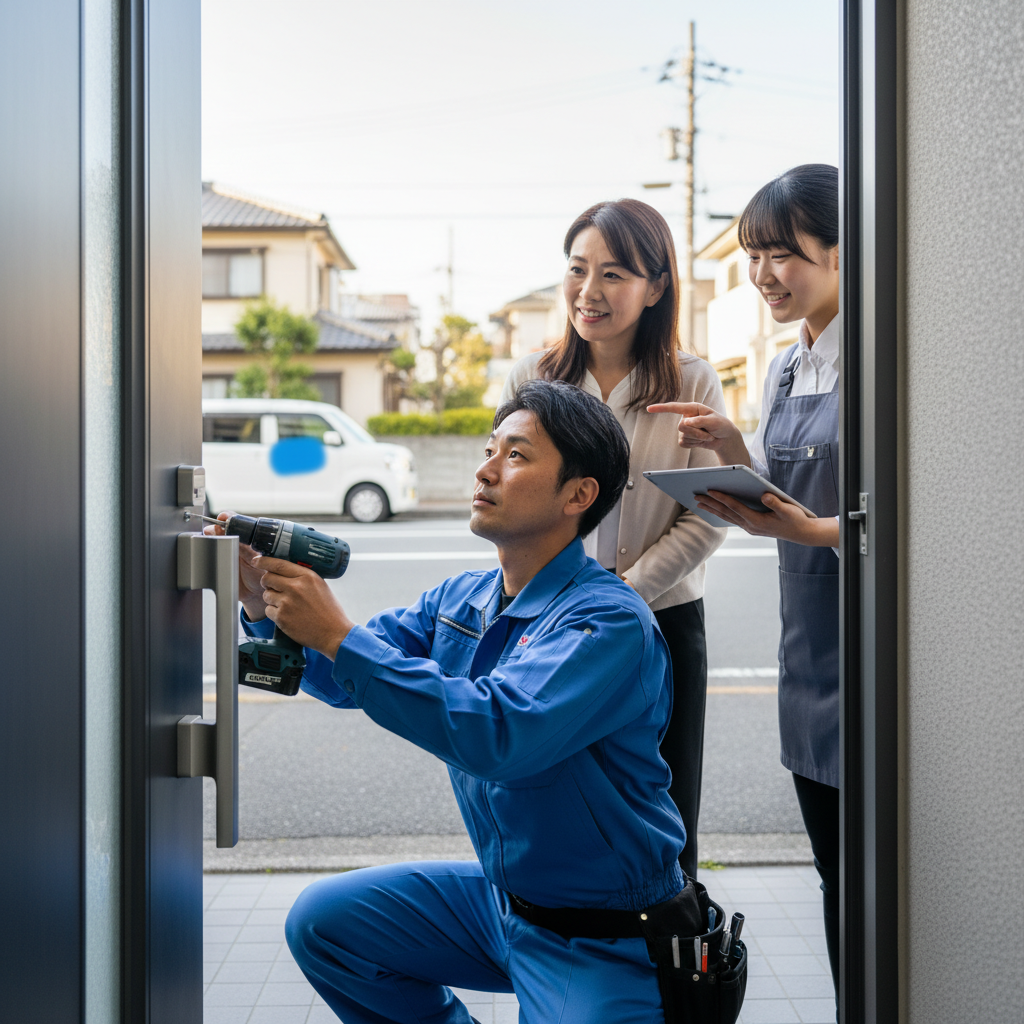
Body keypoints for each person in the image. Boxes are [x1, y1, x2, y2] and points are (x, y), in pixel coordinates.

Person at [212, 380, 704, 1023]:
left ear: (579, 495)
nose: (486, 469)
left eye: (516, 455)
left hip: (607, 933)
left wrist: (336, 633)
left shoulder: (607, 622)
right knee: (325, 924)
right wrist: (261, 602)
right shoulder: (463, 598)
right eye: (489, 449)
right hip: (504, 905)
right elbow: (340, 676)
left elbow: (499, 734)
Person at [650, 164, 842, 1003]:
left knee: (875, 877)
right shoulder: (787, 368)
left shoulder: (887, 358)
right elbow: (787, 490)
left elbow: (918, 526)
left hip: (878, 646)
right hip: (810, 654)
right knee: (837, 874)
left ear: (843, 251)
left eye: (781, 253)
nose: (762, 274)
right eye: (753, 255)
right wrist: (734, 454)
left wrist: (805, 530)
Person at [499, 199, 727, 879]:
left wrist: (625, 594)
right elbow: (508, 496)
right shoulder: (533, 378)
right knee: (553, 796)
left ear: (656, 287)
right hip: (549, 624)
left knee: (665, 801)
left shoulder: (691, 380)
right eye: (577, 269)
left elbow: (710, 511)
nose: (588, 291)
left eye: (614, 273)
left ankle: (672, 936)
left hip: (662, 624)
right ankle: (556, 932)